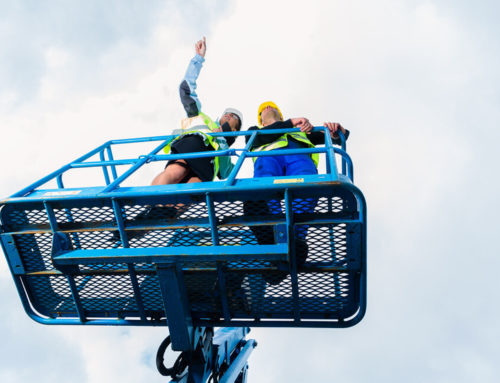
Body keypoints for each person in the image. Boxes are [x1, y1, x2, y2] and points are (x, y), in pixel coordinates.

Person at [244, 101, 350, 284]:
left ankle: (293, 240)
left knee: (305, 189)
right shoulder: (255, 130)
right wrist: (291, 122)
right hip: (269, 158)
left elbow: (337, 137)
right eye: (263, 109)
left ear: (281, 114)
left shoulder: (301, 130)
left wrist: (336, 131)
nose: (267, 108)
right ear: (260, 119)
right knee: (264, 188)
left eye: (272, 107)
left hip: (298, 158)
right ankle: (276, 234)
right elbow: (254, 139)